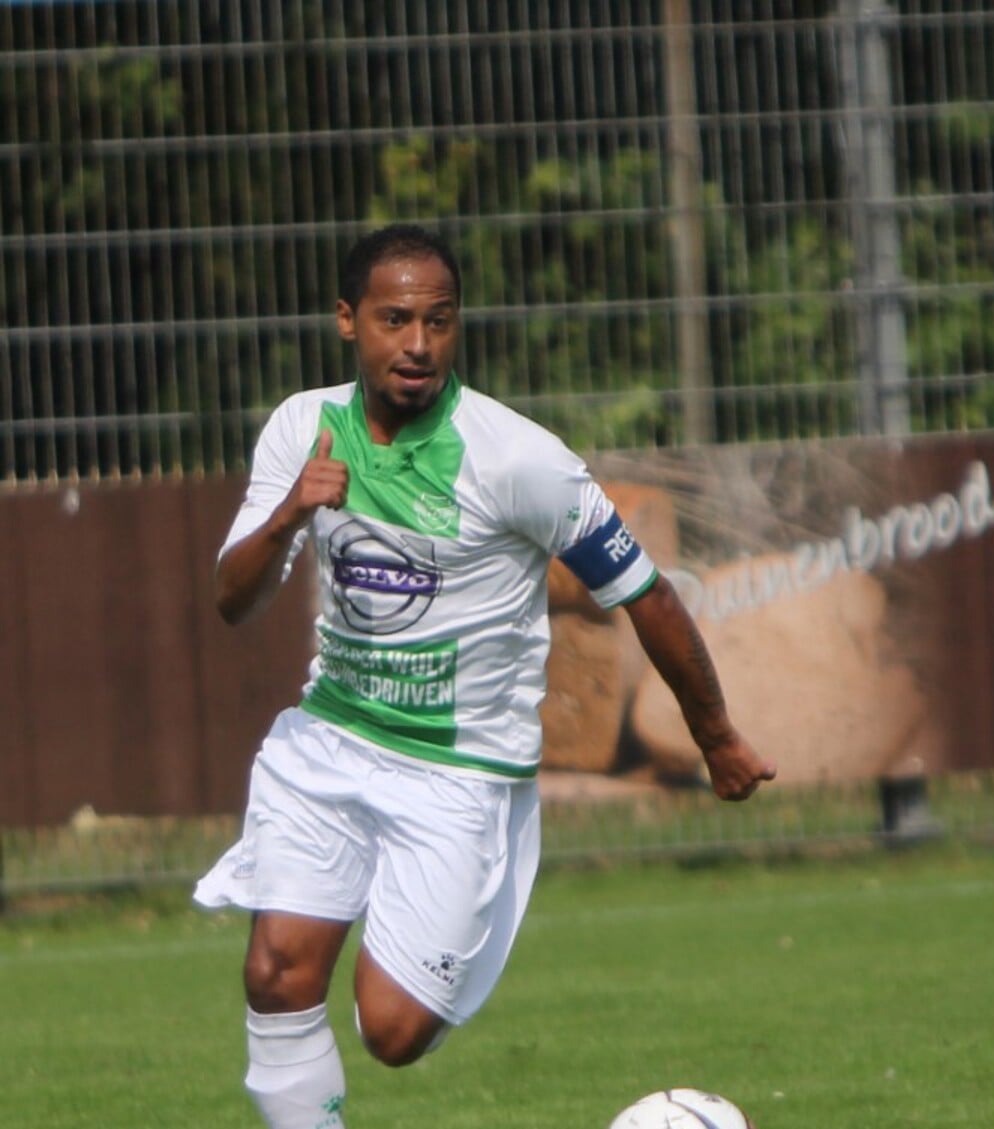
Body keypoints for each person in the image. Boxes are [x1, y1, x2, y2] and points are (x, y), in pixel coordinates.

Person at [195, 223, 776, 1129]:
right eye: (395, 320)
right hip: (333, 736)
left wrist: (716, 736)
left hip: (458, 772)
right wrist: (288, 513)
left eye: (439, 320)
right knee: (276, 970)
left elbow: (647, 594)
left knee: (390, 1031)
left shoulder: (520, 460)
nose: (419, 344)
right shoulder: (301, 428)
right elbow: (233, 598)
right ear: (349, 322)